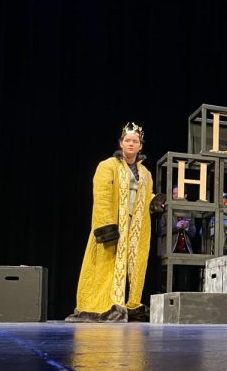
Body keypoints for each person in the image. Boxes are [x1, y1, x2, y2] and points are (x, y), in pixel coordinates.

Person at [66, 122, 163, 323]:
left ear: (140, 146)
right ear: (120, 143)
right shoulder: (107, 165)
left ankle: (131, 304)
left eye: (135, 141)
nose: (131, 144)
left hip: (134, 225)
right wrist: (106, 225)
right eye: (127, 140)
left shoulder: (145, 173)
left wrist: (155, 200)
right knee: (105, 264)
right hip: (113, 224)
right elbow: (101, 195)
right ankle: (99, 306)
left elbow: (143, 196)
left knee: (135, 265)